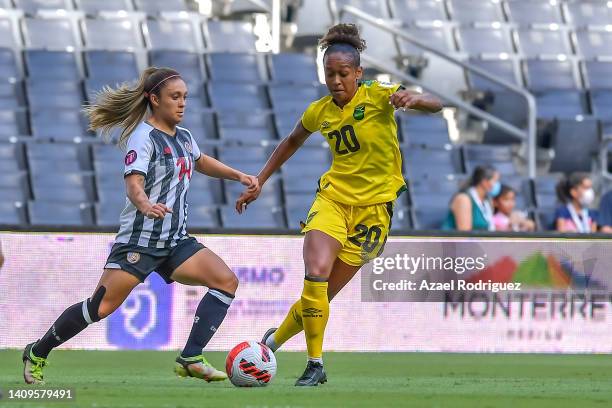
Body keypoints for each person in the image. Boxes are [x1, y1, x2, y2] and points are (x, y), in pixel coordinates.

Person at [22, 67, 259, 384]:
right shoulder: (143, 138)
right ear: (154, 99)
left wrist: (239, 176)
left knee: (226, 281)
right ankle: (38, 351)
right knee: (99, 308)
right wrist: (146, 205)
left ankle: (190, 357)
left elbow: (200, 161)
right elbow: (134, 185)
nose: (182, 103)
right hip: (139, 242)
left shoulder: (185, 138)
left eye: (185, 97)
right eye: (175, 97)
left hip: (175, 242)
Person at [236, 23, 442, 386]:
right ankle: (315, 364)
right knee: (315, 271)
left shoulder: (378, 95)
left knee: (320, 297)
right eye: (329, 73)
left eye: (343, 74)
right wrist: (260, 180)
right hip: (332, 199)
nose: (335, 80)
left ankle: (271, 343)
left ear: (358, 73)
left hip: (373, 213)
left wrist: (415, 99)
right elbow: (291, 140)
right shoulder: (320, 111)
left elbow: (436, 104)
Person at [441, 165, 500, 231]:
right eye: (495, 181)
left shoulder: (487, 201)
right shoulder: (463, 199)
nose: (497, 184)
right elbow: (464, 233)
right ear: (484, 181)